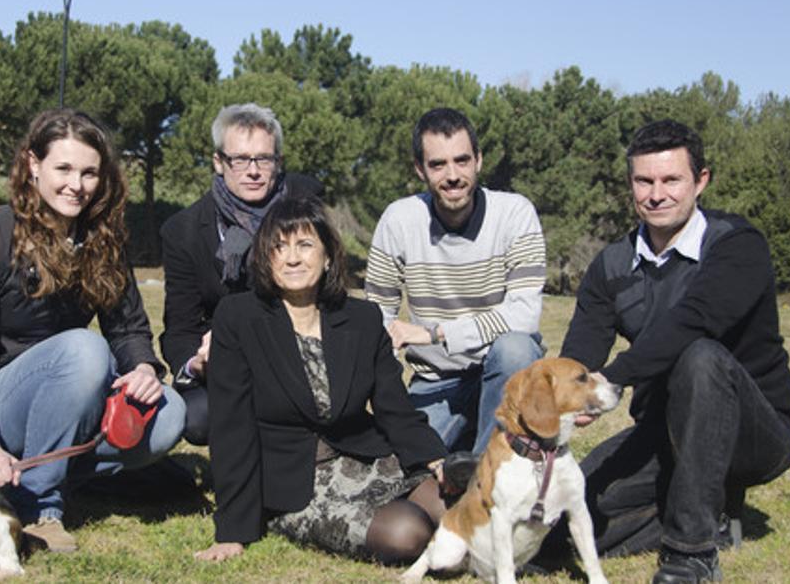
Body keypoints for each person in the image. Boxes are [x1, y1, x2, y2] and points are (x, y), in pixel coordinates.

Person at [559, 120, 790, 583]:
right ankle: (695, 505)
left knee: (700, 356)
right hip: (664, 432)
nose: (656, 193)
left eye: (671, 180)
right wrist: (566, 400)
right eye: (644, 180)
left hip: (756, 434)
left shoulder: (737, 245)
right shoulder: (611, 265)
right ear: (630, 183)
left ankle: (691, 554)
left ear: (700, 181)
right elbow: (579, 359)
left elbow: (695, 321)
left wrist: (615, 378)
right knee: (565, 525)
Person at [0, 108, 186, 553]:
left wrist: (142, 367)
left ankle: (55, 475)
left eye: (89, 173)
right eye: (63, 168)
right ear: (32, 165)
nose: (75, 185)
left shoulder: (103, 237)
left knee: (170, 413)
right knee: (84, 350)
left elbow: (127, 327)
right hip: (1, 404)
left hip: (73, 395)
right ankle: (37, 505)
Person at [196, 196, 448, 564]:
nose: (292, 258)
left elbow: (396, 408)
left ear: (328, 254)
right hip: (294, 482)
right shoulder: (238, 318)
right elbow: (231, 428)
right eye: (278, 247)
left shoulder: (362, 318)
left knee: (456, 503)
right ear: (265, 258)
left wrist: (433, 457)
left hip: (365, 461)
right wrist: (232, 530)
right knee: (408, 532)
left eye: (305, 244)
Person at [364, 107, 546, 457]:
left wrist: (437, 333)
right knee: (399, 467)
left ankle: (485, 474)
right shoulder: (399, 220)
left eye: (462, 161)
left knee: (515, 348)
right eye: (438, 165)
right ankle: (471, 450)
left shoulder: (515, 214)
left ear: (478, 160)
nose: (452, 175)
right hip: (436, 381)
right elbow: (377, 317)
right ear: (420, 168)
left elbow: (524, 316)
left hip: (505, 371)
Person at [159, 103, 322, 445]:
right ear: (218, 162)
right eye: (240, 159)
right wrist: (195, 363)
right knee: (198, 417)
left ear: (278, 161)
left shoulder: (306, 204)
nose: (253, 171)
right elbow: (180, 329)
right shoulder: (183, 232)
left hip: (294, 351)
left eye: (264, 159)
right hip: (223, 363)